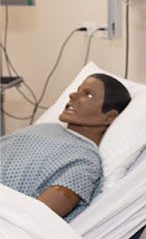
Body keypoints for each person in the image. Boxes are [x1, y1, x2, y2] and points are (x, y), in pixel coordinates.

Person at [0, 73, 131, 222]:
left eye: (88, 94)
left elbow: (33, 219)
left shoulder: (84, 162)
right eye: (78, 90)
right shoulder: (46, 128)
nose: (72, 95)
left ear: (109, 117)